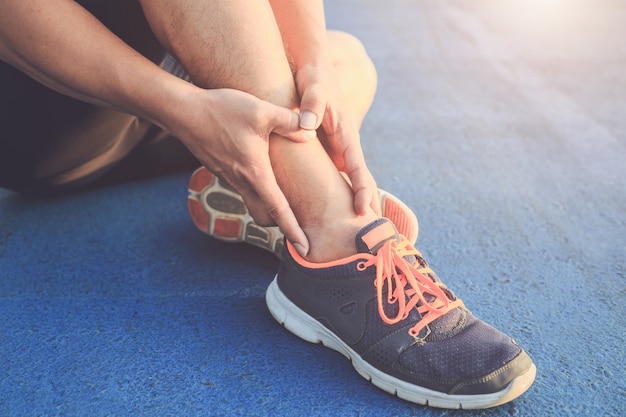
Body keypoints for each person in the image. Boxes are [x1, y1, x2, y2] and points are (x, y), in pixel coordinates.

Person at [0, 0, 536, 409]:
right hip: (58, 113)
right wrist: (182, 107)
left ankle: (267, 186)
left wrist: (313, 67)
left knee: (347, 57)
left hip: (172, 103)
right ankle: (332, 230)